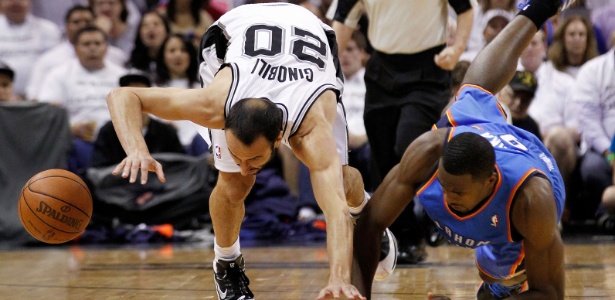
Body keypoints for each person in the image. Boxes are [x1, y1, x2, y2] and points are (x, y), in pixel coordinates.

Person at [106, 3, 386, 299]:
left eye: (253, 158)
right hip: (234, 34)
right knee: (234, 183)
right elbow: (123, 95)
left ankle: (369, 222)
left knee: (339, 183)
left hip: (311, 35)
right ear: (223, 124)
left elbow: (334, 209)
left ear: (280, 139)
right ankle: (226, 263)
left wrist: (338, 278)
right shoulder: (213, 104)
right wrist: (136, 148)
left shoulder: (312, 126)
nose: (244, 165)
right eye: (238, 155)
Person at [351, 0, 569, 298]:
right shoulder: (428, 152)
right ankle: (539, 9)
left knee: (495, 274)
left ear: (490, 181)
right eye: (444, 186)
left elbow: (550, 295)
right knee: (471, 91)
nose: (447, 198)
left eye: (457, 192)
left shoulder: (532, 202)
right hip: (476, 129)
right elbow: (370, 223)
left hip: (531, 167)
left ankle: (505, 282)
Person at [328, 0, 474, 265]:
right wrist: (324, 64)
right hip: (381, 69)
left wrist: (458, 48)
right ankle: (405, 237)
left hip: (428, 69)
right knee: (382, 157)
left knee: (410, 144)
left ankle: (435, 212)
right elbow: (341, 22)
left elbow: (465, 9)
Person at [38, 25, 127, 177]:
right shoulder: (58, 75)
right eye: (86, 44)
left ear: (106, 48)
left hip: (119, 142)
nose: (92, 48)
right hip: (79, 142)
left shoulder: (122, 76)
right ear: (75, 48)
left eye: (98, 44)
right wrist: (70, 128)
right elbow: (46, 114)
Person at [26, 4, 127, 101]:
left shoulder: (116, 56)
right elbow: (35, 96)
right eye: (76, 22)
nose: (82, 26)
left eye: (87, 21)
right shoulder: (48, 61)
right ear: (66, 26)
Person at [573, 45, 615, 232]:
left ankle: (606, 213)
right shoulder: (593, 70)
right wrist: (611, 155)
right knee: (592, 169)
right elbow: (588, 123)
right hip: (603, 151)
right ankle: (606, 211)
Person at [0, 0, 62, 98]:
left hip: (41, 98)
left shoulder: (49, 29)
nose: (16, 4)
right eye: (10, 0)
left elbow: (56, 66)